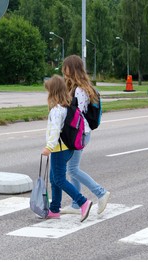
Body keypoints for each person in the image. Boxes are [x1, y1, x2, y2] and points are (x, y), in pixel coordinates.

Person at [61, 55, 110, 215]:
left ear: (73, 68)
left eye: (66, 67)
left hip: (80, 133)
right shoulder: (77, 87)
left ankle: (101, 193)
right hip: (80, 132)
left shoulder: (80, 90)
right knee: (72, 168)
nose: (64, 70)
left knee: (73, 169)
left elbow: (78, 114)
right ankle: (76, 204)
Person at [41, 74, 93, 222]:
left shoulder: (56, 110)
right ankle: (54, 209)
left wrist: (48, 148)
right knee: (54, 178)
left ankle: (83, 202)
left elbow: (55, 130)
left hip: (59, 149)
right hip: (67, 148)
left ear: (53, 92)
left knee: (59, 179)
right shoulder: (67, 106)